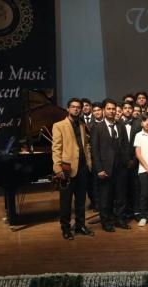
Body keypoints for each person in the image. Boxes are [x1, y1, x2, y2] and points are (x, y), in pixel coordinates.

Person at [52, 98, 94, 240]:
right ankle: (65, 228)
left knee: (81, 200)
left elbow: (85, 146)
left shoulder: (82, 124)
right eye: (73, 107)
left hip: (82, 168)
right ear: (68, 108)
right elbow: (56, 149)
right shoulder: (59, 125)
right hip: (67, 168)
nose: (76, 109)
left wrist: (89, 163)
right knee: (65, 201)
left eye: (78, 107)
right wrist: (58, 169)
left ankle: (80, 225)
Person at [91, 98, 131, 232]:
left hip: (121, 168)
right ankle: (106, 222)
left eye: (114, 109)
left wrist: (126, 162)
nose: (112, 111)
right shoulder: (97, 127)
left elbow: (126, 145)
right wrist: (99, 169)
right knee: (105, 198)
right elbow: (95, 150)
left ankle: (120, 220)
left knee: (121, 196)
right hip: (105, 169)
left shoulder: (121, 125)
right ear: (103, 110)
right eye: (109, 108)